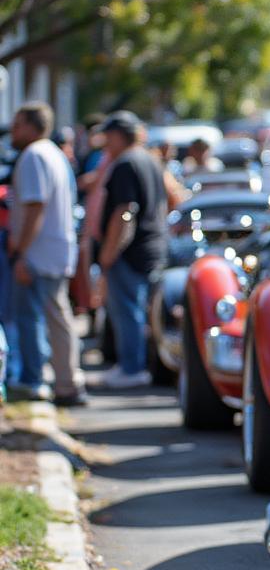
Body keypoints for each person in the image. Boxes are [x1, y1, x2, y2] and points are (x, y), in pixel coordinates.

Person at [6, 102, 87, 404]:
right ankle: (67, 382)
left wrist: (20, 252)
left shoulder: (33, 155)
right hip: (55, 249)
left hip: (38, 253)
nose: (12, 131)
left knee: (31, 318)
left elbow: (35, 205)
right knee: (57, 316)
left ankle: (34, 379)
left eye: (17, 124)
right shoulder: (52, 153)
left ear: (31, 126)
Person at [97, 111, 168, 389]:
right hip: (151, 246)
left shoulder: (126, 163)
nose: (105, 143)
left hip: (131, 251)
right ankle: (134, 364)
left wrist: (109, 252)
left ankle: (132, 367)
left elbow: (125, 212)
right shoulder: (149, 159)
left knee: (128, 311)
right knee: (140, 311)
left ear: (117, 135)